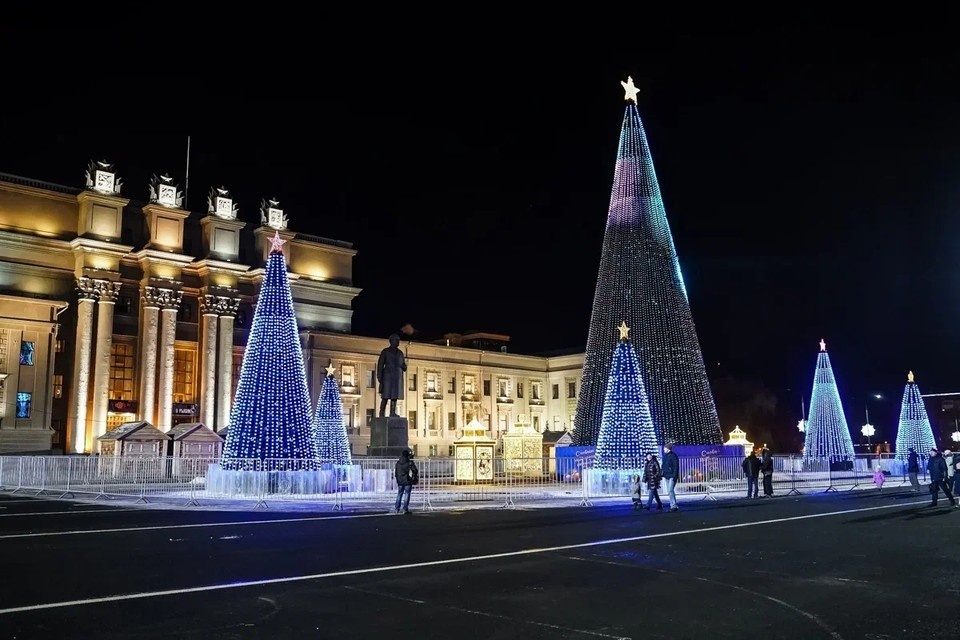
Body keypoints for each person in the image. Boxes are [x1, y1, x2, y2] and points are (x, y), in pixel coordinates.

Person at [377, 334, 407, 417]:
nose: (398, 342)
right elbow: (380, 364)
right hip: (387, 376)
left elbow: (404, 366)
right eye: (396, 340)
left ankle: (392, 412)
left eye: (398, 340)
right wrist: (379, 376)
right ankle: (382, 412)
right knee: (385, 395)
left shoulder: (400, 353)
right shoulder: (385, 351)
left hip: (397, 377)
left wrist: (404, 366)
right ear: (391, 341)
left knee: (394, 396)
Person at [394, 449, 418, 514]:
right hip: (407, 480)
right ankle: (405, 509)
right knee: (407, 494)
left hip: (400, 481)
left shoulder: (398, 463)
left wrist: (397, 479)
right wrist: (413, 477)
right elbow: (415, 470)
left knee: (399, 494)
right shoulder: (409, 462)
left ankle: (397, 508)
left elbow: (396, 472)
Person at [661, 443, 680, 512]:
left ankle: (674, 505)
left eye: (665, 448)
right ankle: (672, 504)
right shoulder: (665, 456)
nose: (663, 449)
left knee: (670, 490)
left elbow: (676, 467)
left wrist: (675, 476)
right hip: (666, 475)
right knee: (669, 491)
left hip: (672, 475)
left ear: (668, 449)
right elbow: (663, 465)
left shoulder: (673, 456)